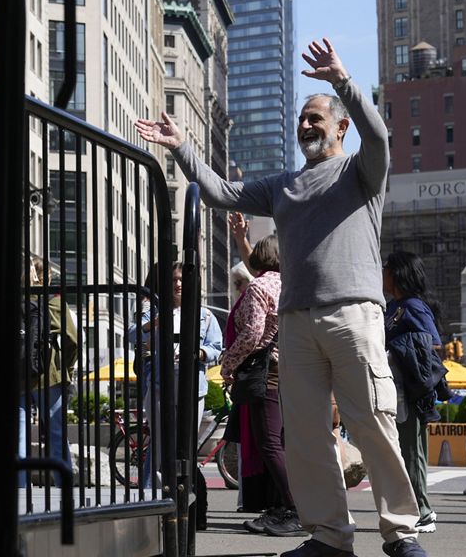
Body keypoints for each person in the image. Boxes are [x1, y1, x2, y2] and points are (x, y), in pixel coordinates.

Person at [136, 38, 427, 557]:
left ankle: (401, 533)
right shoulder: (283, 185)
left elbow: (379, 134)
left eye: (316, 118)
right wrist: (180, 146)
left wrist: (341, 81)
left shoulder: (362, 173)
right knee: (305, 435)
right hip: (294, 325)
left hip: (353, 314)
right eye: (302, 119)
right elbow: (222, 191)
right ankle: (329, 537)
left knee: (373, 423)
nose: (306, 125)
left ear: (340, 127)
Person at [220, 236, 303, 538]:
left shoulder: (258, 287)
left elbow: (253, 332)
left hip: (265, 371)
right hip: (292, 368)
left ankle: (294, 510)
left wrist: (228, 363)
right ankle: (283, 506)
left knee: (268, 442)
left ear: (261, 257)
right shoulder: (289, 283)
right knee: (281, 442)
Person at [127, 262, 223, 488]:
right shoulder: (154, 310)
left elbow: (215, 347)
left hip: (192, 386)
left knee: (187, 443)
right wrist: (155, 324)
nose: (178, 284)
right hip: (161, 383)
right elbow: (134, 335)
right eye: (173, 280)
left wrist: (198, 353)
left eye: (182, 280)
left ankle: (186, 496)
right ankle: (149, 494)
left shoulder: (204, 315)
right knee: (159, 440)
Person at [382, 252, 446, 534]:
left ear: (398, 274)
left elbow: (432, 345)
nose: (381, 274)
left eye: (386, 269)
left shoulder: (414, 306)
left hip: (411, 389)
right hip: (394, 387)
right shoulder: (393, 306)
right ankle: (410, 506)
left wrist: (397, 350)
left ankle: (423, 510)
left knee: (412, 451)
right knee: (400, 452)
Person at [30, 258, 78, 487]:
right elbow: (73, 340)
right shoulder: (55, 303)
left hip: (20, 374)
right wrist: (66, 368)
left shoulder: (17, 299)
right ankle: (63, 485)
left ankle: (19, 486)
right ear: (47, 277)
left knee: (18, 433)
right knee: (56, 433)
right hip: (50, 374)